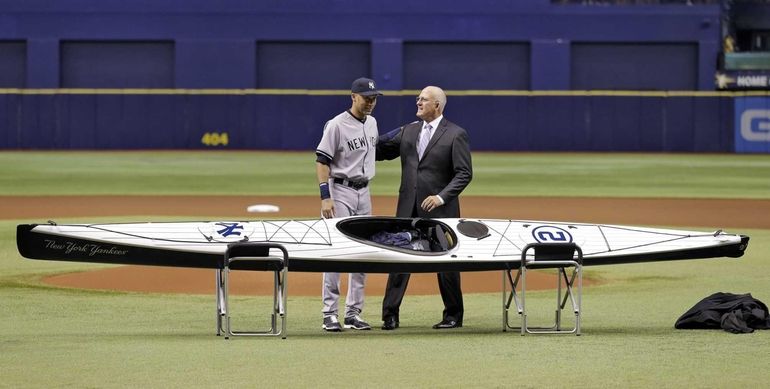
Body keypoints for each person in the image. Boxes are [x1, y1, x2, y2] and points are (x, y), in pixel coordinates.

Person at [376, 85, 473, 330]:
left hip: (441, 211)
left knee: (447, 262)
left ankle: (453, 315)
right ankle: (390, 315)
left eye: (423, 100)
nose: (418, 102)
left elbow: (464, 174)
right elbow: (378, 150)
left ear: (437, 105)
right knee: (399, 258)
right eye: (418, 99)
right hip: (408, 206)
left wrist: (441, 197)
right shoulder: (408, 131)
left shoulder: (455, 134)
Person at [314, 77, 382, 332]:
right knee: (336, 251)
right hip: (339, 190)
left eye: (374, 99)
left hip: (364, 192)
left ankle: (354, 313)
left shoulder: (372, 123)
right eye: (366, 98)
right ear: (353, 96)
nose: (371, 103)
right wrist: (325, 196)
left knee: (363, 251)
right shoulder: (336, 125)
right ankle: (329, 313)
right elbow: (322, 161)